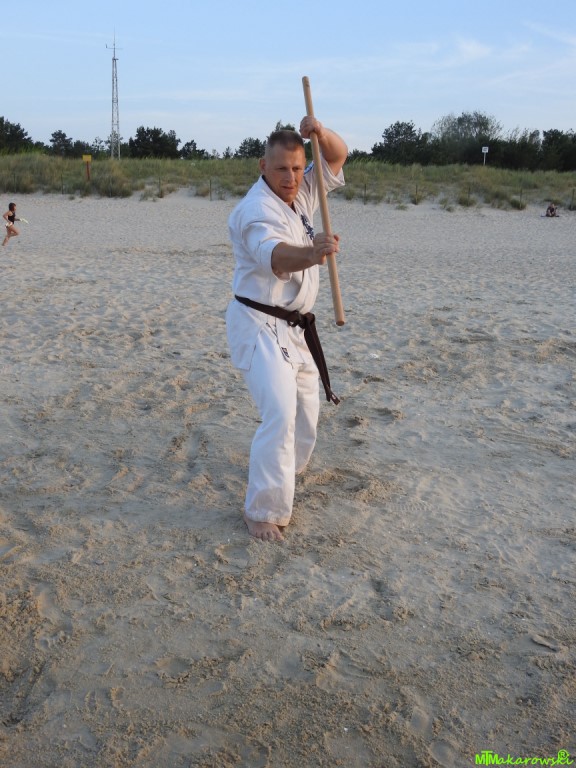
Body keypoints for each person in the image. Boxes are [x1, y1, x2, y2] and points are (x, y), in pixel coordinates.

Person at [226, 116, 347, 541]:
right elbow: (275, 256)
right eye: (281, 168)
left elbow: (338, 156)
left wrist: (322, 133)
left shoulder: (302, 193)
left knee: (306, 414)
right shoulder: (255, 210)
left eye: (297, 168)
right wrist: (312, 253)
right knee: (279, 411)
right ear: (264, 166)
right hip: (259, 323)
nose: (291, 177)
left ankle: (284, 473)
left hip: (295, 328)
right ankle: (262, 510)